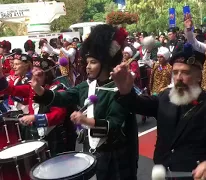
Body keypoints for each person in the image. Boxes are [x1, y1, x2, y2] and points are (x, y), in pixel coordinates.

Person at [111, 44, 206, 180]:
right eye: (175, 72)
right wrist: (125, 91)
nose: (178, 78)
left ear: (199, 77)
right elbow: (138, 104)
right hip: (162, 173)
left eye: (186, 72)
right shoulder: (165, 97)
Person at [31, 24, 138, 180]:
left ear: (105, 64)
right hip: (92, 150)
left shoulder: (120, 89)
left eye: (93, 62)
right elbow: (64, 97)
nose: (87, 67)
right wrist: (39, 90)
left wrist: (85, 120)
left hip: (115, 154)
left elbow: (114, 124)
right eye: (87, 62)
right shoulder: (85, 86)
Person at [0, 56, 68, 155]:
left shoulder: (57, 89)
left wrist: (34, 118)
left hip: (53, 136)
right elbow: (11, 90)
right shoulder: (31, 88)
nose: (33, 77)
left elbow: (58, 115)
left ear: (47, 75)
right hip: (35, 135)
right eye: (33, 73)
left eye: (38, 74)